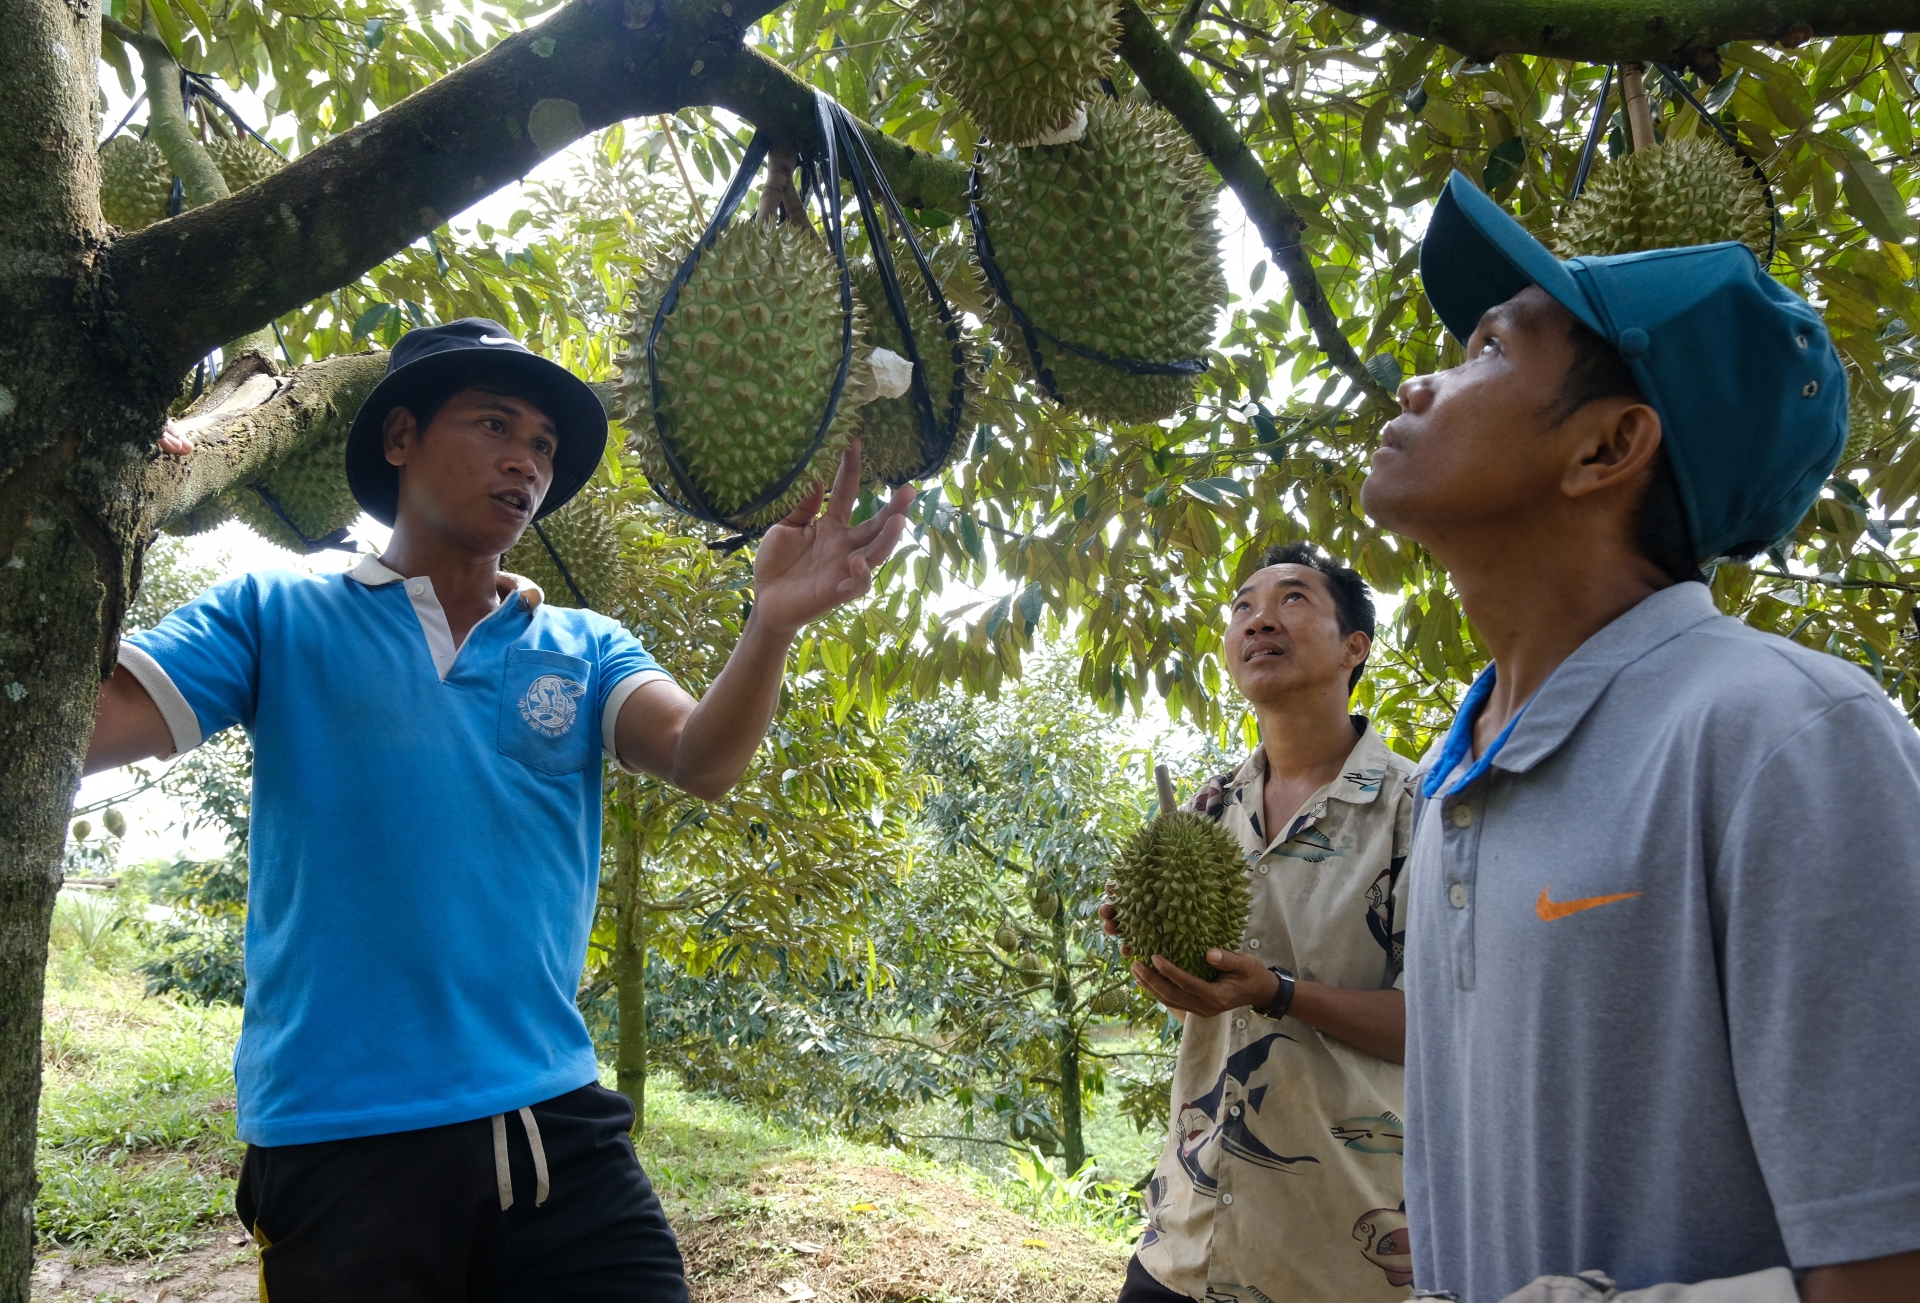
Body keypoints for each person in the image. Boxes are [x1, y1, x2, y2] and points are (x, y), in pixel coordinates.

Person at [85, 318, 913, 1300]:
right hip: (339, 1137)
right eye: (494, 425)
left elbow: (701, 757)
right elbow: (88, 725)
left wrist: (770, 623)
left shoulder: (584, 643)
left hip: (551, 1116)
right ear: (399, 438)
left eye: (545, 446)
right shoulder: (275, 615)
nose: (526, 462)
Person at [1362, 173, 1920, 1303]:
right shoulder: (1447, 777)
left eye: (1487, 350)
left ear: (1608, 447)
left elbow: (1889, 1261)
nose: (1421, 378)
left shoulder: (1787, 737)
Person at [1098, 543, 1421, 1303]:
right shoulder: (1208, 810)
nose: (1258, 619)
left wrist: (1277, 991)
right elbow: (1202, 1003)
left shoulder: (1418, 811)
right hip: (1186, 1239)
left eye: (1293, 599)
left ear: (1355, 647)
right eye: (1242, 605)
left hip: (1341, 1254)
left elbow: (1439, 1026)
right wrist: (1160, 964)